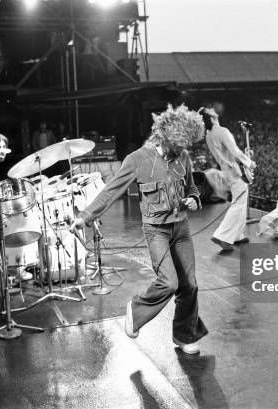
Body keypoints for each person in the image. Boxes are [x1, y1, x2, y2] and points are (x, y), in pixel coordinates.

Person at [70, 104, 208, 354]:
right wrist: (86, 216)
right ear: (166, 137)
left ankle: (185, 336)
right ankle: (135, 311)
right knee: (169, 282)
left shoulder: (183, 157)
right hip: (157, 231)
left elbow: (192, 188)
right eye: (179, 144)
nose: (182, 149)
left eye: (186, 144)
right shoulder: (137, 159)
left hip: (181, 228)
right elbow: (112, 189)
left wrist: (193, 199)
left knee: (190, 284)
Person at [199, 107, 256, 251]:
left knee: (241, 202)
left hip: (226, 170)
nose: (214, 109)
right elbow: (234, 151)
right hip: (235, 172)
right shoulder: (222, 131)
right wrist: (249, 162)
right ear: (211, 117)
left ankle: (237, 236)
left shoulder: (209, 134)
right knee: (238, 204)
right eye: (211, 110)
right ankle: (222, 235)